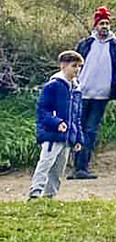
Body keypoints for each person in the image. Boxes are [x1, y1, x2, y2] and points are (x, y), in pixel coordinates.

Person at [70, 5, 116, 179]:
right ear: (95, 25)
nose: (104, 26)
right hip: (82, 93)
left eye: (107, 23)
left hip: (101, 96)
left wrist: (115, 86)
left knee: (90, 130)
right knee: (77, 130)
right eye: (101, 23)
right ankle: (76, 167)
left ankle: (83, 167)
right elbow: (73, 64)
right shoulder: (85, 44)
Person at [27, 50, 84, 200]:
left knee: (59, 169)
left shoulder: (77, 90)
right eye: (74, 65)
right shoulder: (53, 86)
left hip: (67, 136)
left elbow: (77, 117)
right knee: (45, 164)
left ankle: (50, 196)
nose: (77, 69)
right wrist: (57, 122)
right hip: (52, 134)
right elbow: (42, 110)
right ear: (63, 66)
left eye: (79, 66)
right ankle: (35, 193)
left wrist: (78, 137)